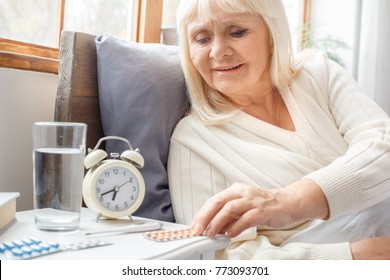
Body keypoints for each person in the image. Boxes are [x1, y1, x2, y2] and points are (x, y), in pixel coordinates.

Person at [167, 0, 390, 260]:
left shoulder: (318, 74)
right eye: (202, 39)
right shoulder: (192, 141)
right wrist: (356, 256)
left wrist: (285, 202)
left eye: (237, 32)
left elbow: (383, 146)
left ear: (272, 34)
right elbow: (224, 259)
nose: (218, 51)